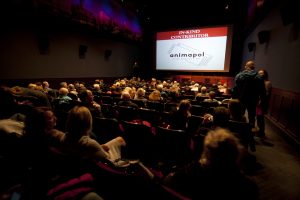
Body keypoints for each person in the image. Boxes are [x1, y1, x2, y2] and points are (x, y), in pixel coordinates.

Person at [164, 128, 259, 200]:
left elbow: (167, 181)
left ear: (206, 153)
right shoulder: (248, 187)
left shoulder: (188, 173)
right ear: (235, 155)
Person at [60, 106, 126, 164]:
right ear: (88, 123)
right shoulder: (89, 143)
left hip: (81, 161)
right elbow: (107, 160)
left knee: (119, 139)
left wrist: (99, 147)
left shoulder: (64, 137)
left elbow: (82, 150)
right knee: (120, 141)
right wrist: (102, 150)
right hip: (107, 165)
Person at [233, 60, 266, 128]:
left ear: (246, 67)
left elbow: (235, 88)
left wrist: (235, 97)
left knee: (239, 115)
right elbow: (262, 91)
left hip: (241, 99)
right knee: (251, 117)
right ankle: (250, 132)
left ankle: (238, 130)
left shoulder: (239, 75)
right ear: (253, 67)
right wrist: (261, 100)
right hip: (253, 100)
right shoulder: (259, 77)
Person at [256, 69, 272, 138]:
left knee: (260, 118)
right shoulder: (259, 82)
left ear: (265, 74)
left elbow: (267, 94)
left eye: (261, 73)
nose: (260, 74)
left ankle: (262, 133)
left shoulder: (267, 83)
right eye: (259, 73)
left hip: (262, 103)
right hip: (257, 102)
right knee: (258, 117)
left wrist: (261, 101)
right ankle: (259, 131)